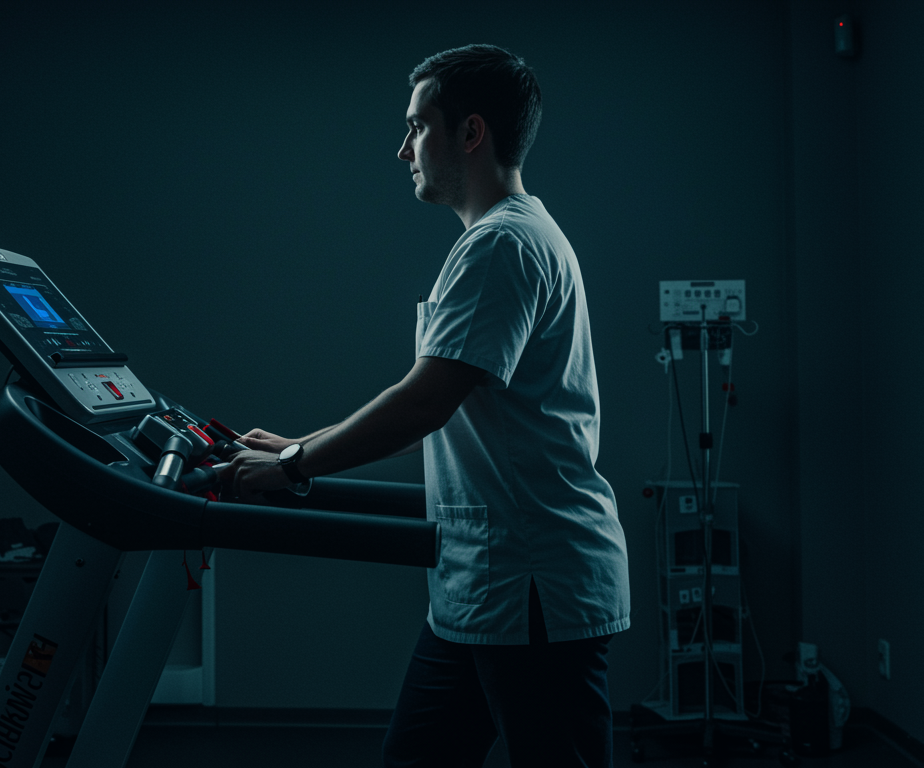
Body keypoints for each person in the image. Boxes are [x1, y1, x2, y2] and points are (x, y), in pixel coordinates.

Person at [214, 44, 629, 768]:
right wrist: (295, 445)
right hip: (479, 587)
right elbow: (447, 407)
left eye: (416, 126)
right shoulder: (511, 238)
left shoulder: (502, 245)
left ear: (469, 133)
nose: (401, 148)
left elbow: (423, 404)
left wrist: (292, 465)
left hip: (531, 589)